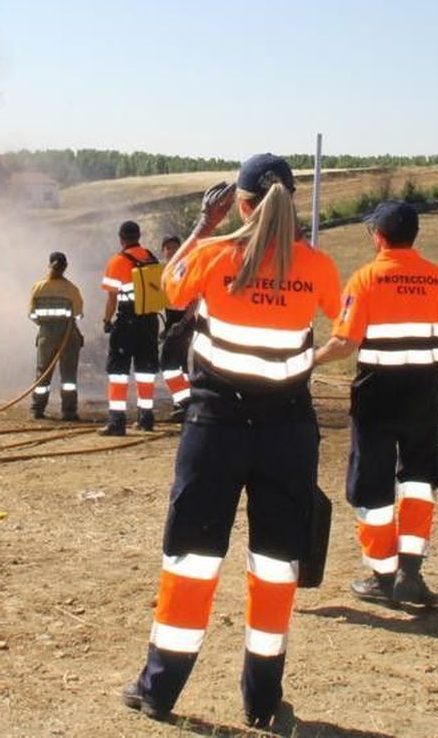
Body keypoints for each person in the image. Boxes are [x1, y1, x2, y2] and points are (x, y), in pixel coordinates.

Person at [121, 153, 342, 729]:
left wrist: (203, 224)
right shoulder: (318, 267)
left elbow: (170, 290)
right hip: (288, 432)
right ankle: (263, 702)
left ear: (238, 204)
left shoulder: (215, 255)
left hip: (215, 427)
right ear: (292, 204)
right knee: (275, 564)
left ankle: (159, 690)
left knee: (191, 559)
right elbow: (337, 318)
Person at [315, 200, 438, 611]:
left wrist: (306, 360)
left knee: (372, 485)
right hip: (423, 395)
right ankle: (411, 571)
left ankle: (383, 576)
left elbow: (346, 343)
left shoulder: (366, 278)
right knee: (420, 480)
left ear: (378, 236)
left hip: (376, 398)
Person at [100, 220, 161, 435]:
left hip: (127, 321)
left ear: (121, 238)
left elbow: (111, 299)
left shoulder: (116, 261)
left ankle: (117, 421)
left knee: (118, 371)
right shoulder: (151, 258)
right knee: (146, 371)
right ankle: (146, 417)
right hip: (150, 320)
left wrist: (107, 321)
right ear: (139, 236)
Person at [27, 251, 84, 421]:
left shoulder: (38, 287)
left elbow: (31, 314)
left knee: (43, 372)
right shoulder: (72, 289)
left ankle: (37, 409)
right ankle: (69, 411)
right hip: (68, 335)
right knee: (68, 377)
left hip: (46, 335)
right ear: (65, 267)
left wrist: (46, 325)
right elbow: (79, 315)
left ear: (49, 264)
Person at [158, 235, 193, 420]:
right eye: (168, 248)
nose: (171, 251)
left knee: (168, 363)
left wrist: (184, 322)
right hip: (173, 320)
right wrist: (167, 327)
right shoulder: (165, 271)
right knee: (180, 364)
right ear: (163, 250)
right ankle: (186, 403)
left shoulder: (185, 269)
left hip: (184, 320)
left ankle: (183, 402)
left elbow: (195, 299)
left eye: (175, 247)